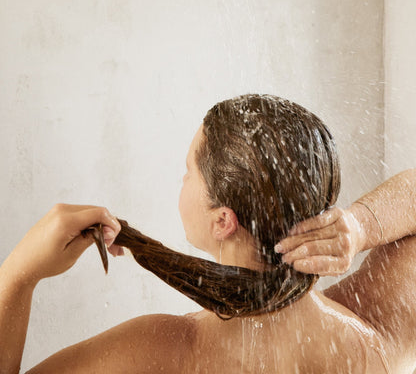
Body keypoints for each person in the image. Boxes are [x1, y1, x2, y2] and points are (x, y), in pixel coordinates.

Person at [0, 94, 415, 373]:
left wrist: (19, 276)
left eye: (187, 172)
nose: (180, 179)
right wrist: (361, 225)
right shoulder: (374, 335)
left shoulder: (163, 350)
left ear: (223, 221)